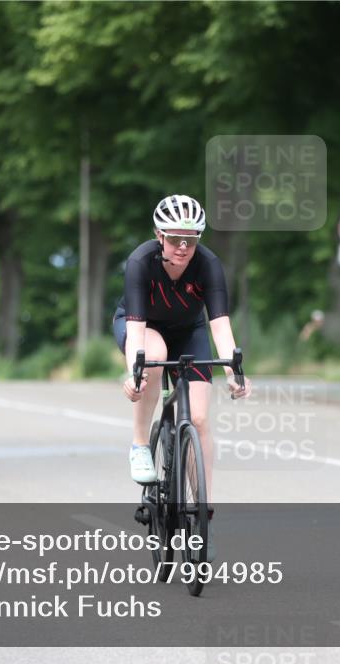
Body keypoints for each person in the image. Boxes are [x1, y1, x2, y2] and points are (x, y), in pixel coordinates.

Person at [113, 195, 252, 560]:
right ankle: (141, 444)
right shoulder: (140, 263)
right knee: (154, 357)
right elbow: (138, 328)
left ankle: (200, 513)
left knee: (201, 419)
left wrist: (234, 373)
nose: (183, 247)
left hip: (189, 331)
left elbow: (219, 324)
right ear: (159, 235)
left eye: (191, 239)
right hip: (146, 328)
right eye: (175, 239)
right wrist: (135, 374)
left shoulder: (207, 265)